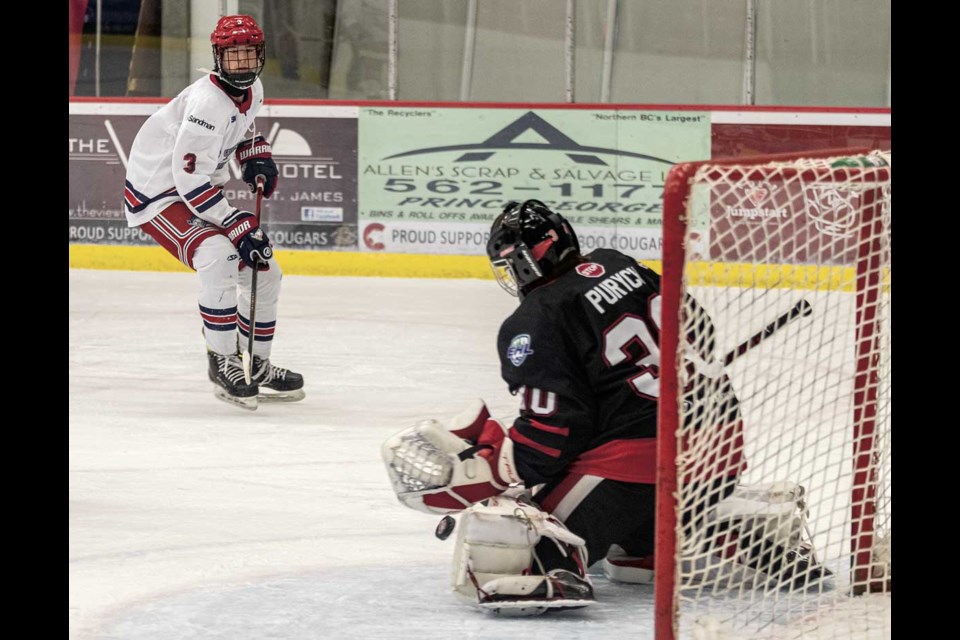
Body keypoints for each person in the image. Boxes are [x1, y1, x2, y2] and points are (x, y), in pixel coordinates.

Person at [382, 200, 827, 614]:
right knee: (625, 550)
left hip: (640, 462)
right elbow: (702, 334)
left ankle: (556, 568)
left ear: (524, 259)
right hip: (721, 447)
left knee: (524, 536)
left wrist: (502, 471)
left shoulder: (536, 318)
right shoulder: (621, 263)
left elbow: (555, 429)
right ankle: (714, 532)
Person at [122, 15, 304, 411]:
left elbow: (240, 130)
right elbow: (186, 179)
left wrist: (254, 154)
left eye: (249, 54)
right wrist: (235, 223)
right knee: (218, 255)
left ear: (260, 56)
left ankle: (256, 362)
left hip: (194, 189)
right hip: (158, 197)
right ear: (218, 58)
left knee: (266, 270)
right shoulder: (206, 103)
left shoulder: (253, 90)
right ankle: (222, 360)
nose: (242, 63)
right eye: (233, 55)